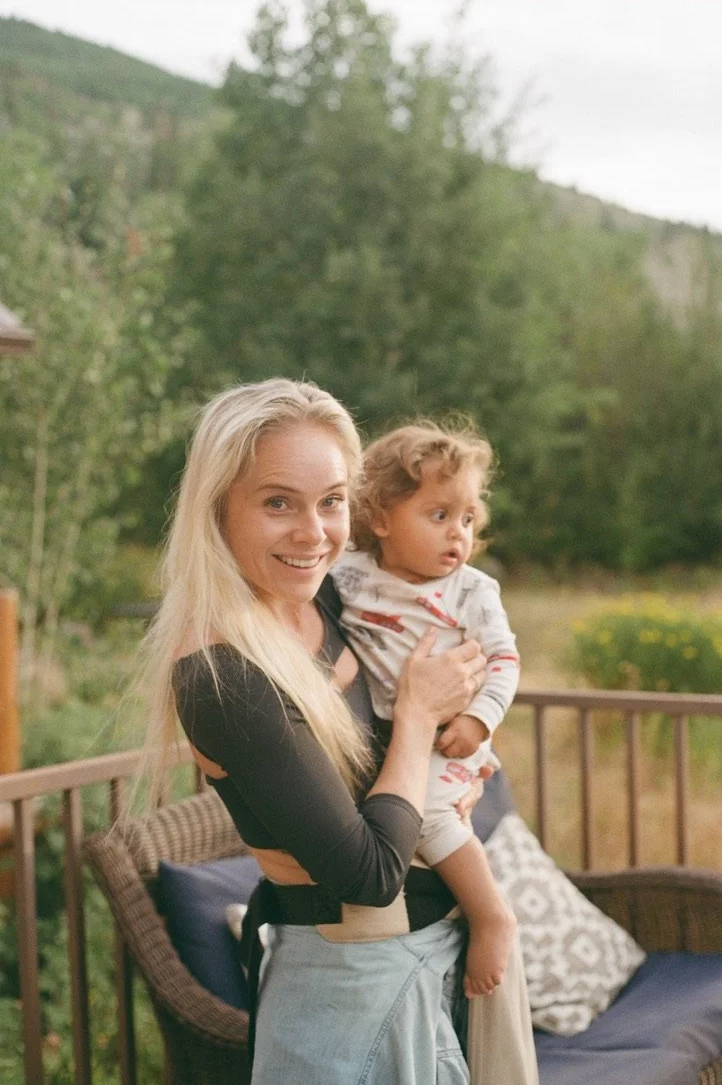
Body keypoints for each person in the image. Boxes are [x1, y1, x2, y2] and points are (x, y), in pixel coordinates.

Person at [139, 378, 538, 1085]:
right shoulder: (221, 677)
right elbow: (369, 873)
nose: (314, 532)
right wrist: (417, 717)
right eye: (276, 502)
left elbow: (390, 766)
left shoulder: (322, 595)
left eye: (330, 502)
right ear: (216, 509)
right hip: (351, 988)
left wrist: (455, 757)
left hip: (435, 963)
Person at [332, 421, 520, 999]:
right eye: (438, 515)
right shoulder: (350, 575)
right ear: (381, 518)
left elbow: (505, 662)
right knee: (399, 815)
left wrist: (478, 721)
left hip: (448, 734)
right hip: (397, 736)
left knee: (433, 815)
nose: (458, 535)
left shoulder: (472, 592)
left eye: (467, 519)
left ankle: (491, 914)